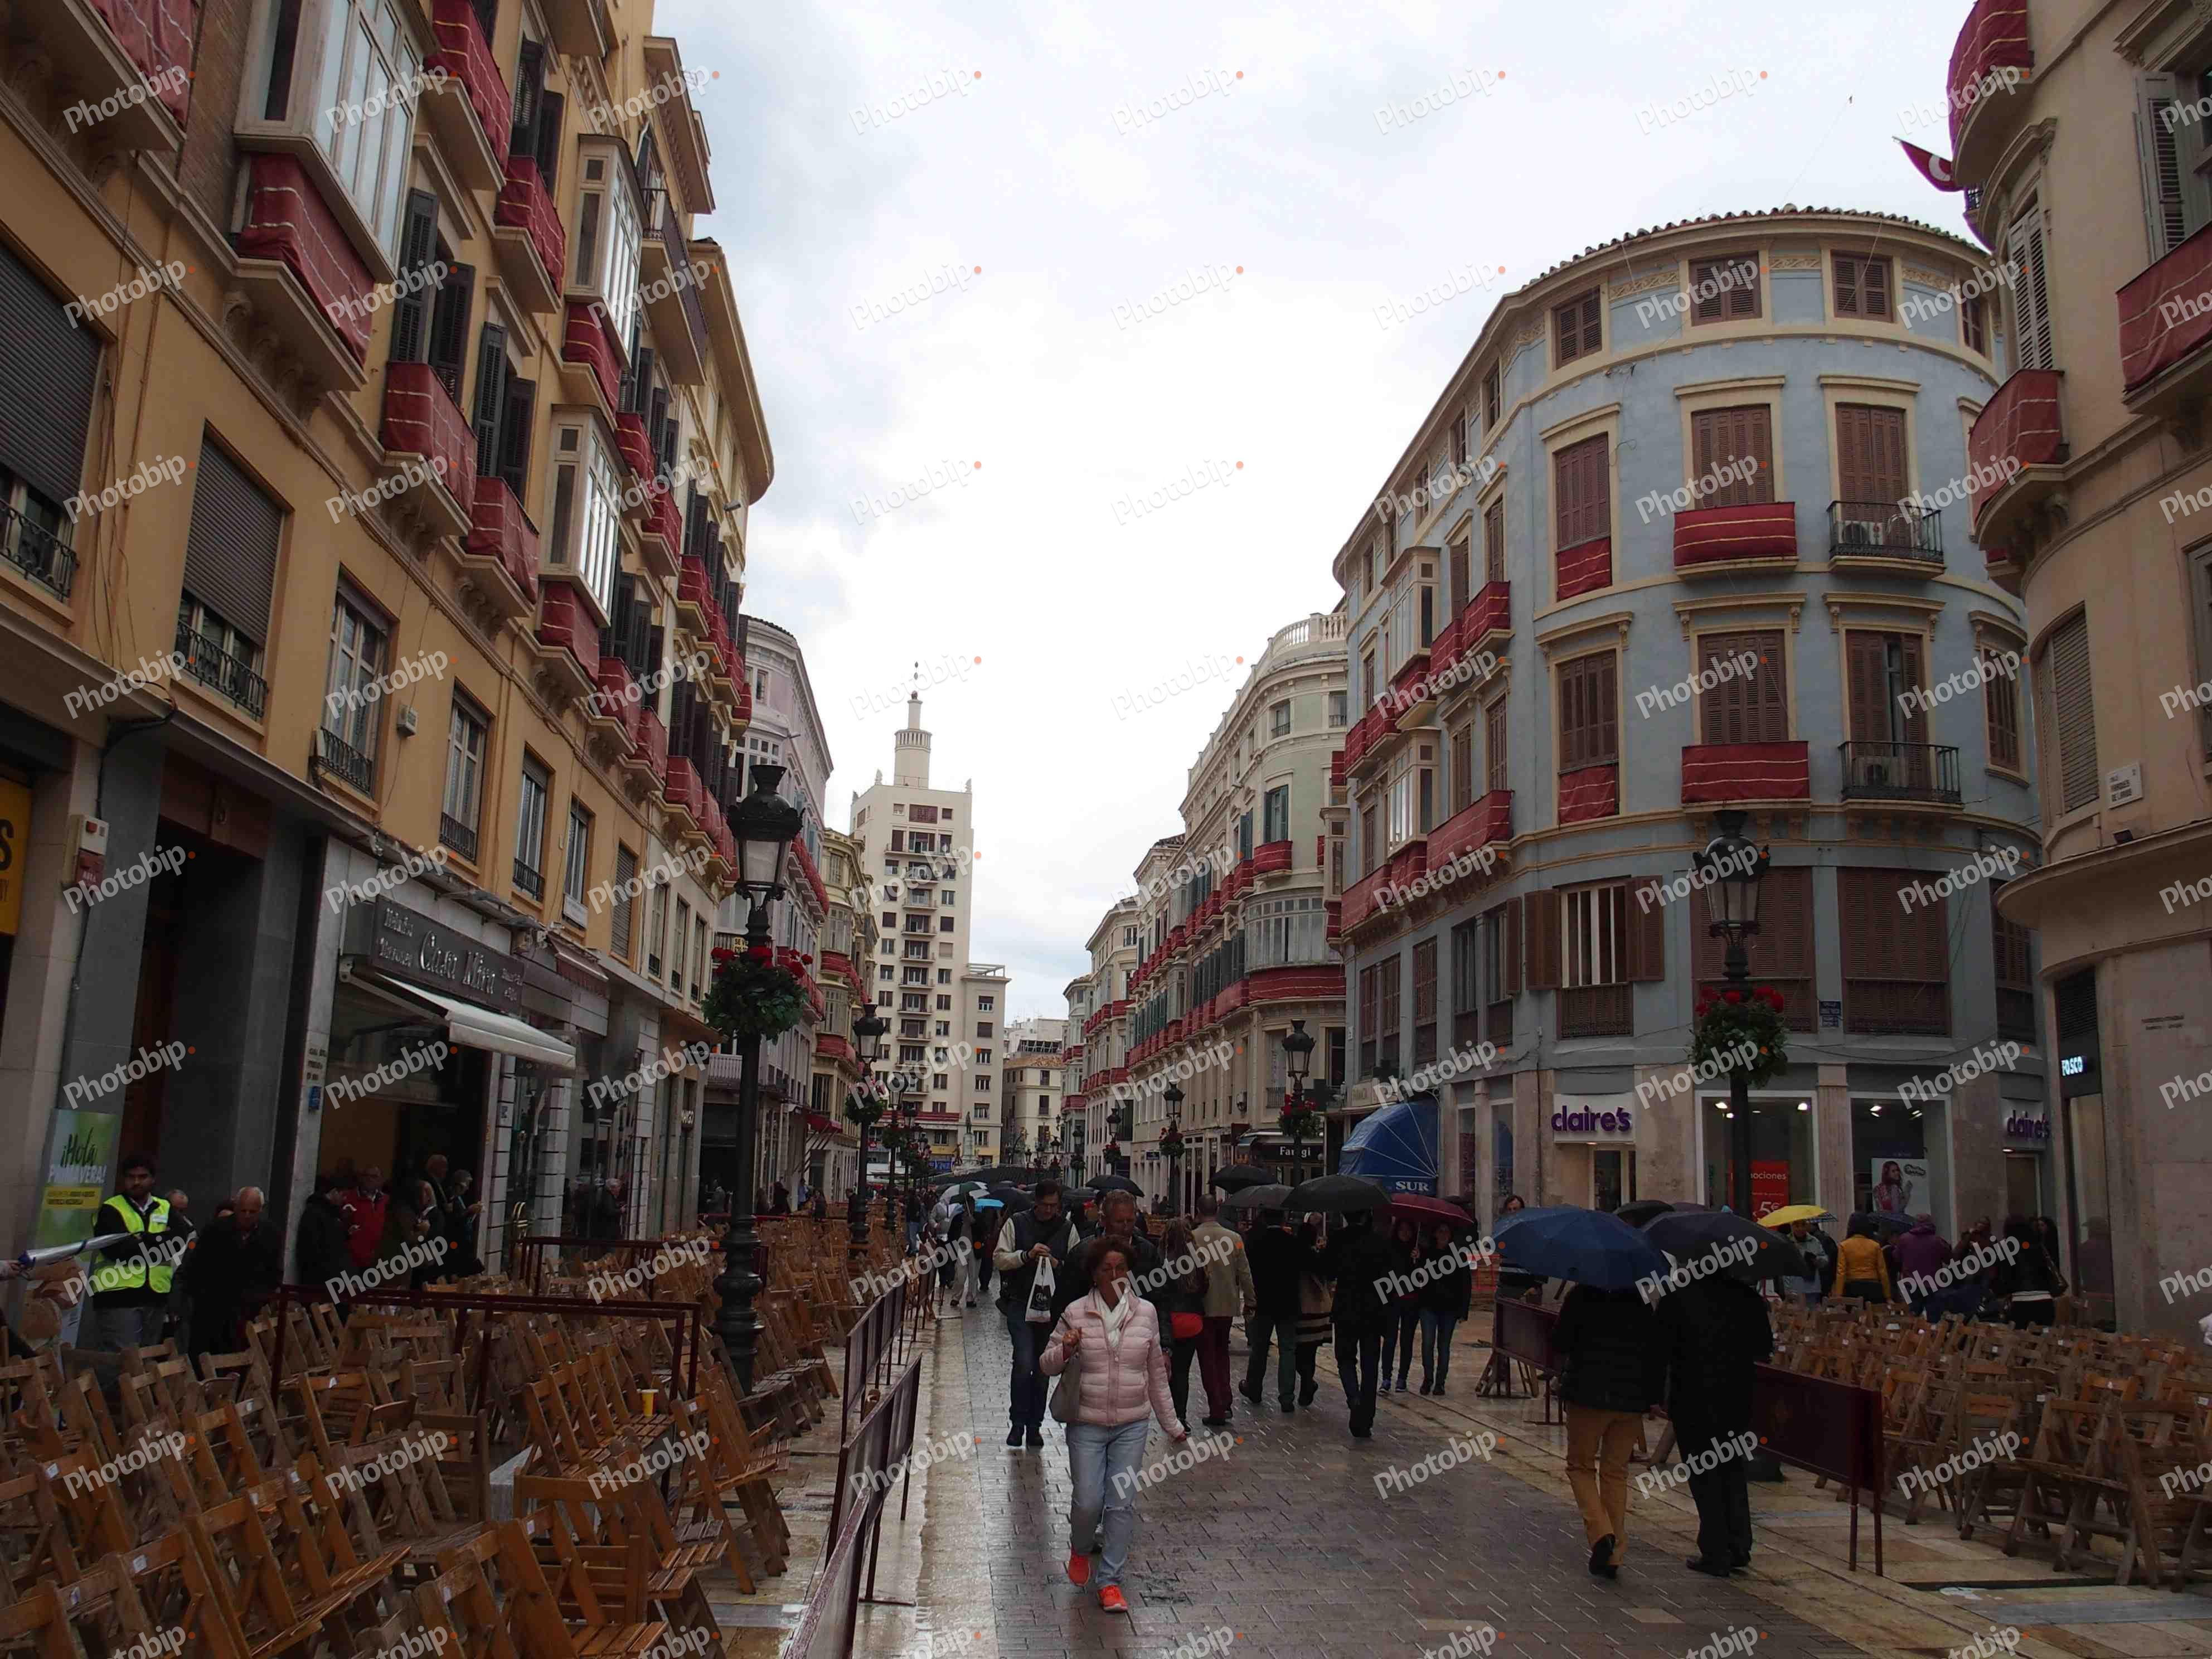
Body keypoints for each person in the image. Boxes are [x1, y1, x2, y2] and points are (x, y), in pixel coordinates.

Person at [1039, 1239, 1187, 1614]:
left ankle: (1110, 1582)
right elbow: (1046, 1364)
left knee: (1121, 1504)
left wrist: (1172, 1424)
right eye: (1107, 1269)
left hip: (1131, 1424)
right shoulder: (1075, 1312)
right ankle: (1080, 1548)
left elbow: (1156, 1374)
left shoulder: (1146, 1313)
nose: (1115, 1276)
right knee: (1088, 1501)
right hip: (1086, 1423)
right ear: (1094, 1274)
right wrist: (1066, 1349)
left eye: (1121, 1269)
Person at [1657, 1267, 1772, 1576]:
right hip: (1736, 1399)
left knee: (1703, 1474)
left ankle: (1716, 1550)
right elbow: (1764, 1348)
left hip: (1692, 1399)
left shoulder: (1677, 1297)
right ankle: (1739, 1545)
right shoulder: (1748, 1298)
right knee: (1731, 1469)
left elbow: (1660, 1348)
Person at [1554, 1281, 1666, 1579]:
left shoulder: (1581, 1295)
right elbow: (1655, 1352)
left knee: (1580, 1467)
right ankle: (1615, 1554)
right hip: (1630, 1401)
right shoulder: (1639, 1301)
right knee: (1616, 1472)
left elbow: (1560, 1342)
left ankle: (1601, 1533)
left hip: (1587, 1396)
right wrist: (1653, 1397)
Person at [992, 1180, 1083, 1448]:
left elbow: (1077, 1267)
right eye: (1045, 1205)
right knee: (1023, 1363)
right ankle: (1017, 1423)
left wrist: (1057, 1264)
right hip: (1020, 1304)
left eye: (1054, 1206)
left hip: (1052, 1308)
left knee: (1043, 1367)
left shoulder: (1067, 1229)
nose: (1049, 1211)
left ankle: (1035, 1426)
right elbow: (999, 1258)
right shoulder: (1017, 1223)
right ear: (1036, 1202)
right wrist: (1026, 1256)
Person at [84, 1152, 177, 1351]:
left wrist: (143, 1238)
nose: (136, 1182)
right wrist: (161, 1242)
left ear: (153, 1179)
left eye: (142, 1177)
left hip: (156, 1296)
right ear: (123, 1179)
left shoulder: (165, 1207)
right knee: (123, 1361)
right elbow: (118, 1250)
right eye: (131, 1177)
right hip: (118, 1297)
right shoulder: (111, 1209)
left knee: (147, 1360)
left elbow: (179, 1241)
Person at [181, 1188, 282, 1357]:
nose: (247, 1216)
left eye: (252, 1212)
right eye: (243, 1211)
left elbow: (274, 1273)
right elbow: (196, 1267)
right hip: (212, 1310)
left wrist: (263, 1298)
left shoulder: (271, 1234)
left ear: (261, 1211)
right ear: (236, 1208)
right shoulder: (215, 1230)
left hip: (248, 1311)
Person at [1323, 1209, 1394, 1438]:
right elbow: (1389, 1281)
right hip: (1373, 1311)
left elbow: (1328, 1272)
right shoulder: (1380, 1242)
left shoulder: (1338, 1238)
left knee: (1345, 1359)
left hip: (1346, 1309)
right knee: (1370, 1365)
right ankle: (1367, 1416)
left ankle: (1354, 1398)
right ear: (1366, 1216)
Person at [1240, 1209, 1315, 1412]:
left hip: (1263, 1304)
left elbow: (1247, 1272)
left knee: (1259, 1348)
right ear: (1283, 1219)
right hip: (1288, 1304)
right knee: (1288, 1349)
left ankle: (1254, 1388)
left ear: (1265, 1218)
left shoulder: (1255, 1243)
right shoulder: (1293, 1243)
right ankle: (1287, 1397)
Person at [1187, 1196, 1253, 1427]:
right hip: (1226, 1306)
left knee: (1207, 1358)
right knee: (1221, 1354)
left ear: (1198, 1211)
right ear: (1217, 1210)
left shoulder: (1191, 1239)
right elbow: (1244, 1272)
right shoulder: (1235, 1239)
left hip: (1202, 1307)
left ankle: (1217, 1408)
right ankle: (1225, 1400)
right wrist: (1251, 1301)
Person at [1066, 1192, 1163, 1322]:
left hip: (1136, 1327)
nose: (1126, 1227)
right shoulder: (1082, 1253)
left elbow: (1160, 1300)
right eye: (1119, 1222)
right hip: (1091, 1326)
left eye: (1130, 1221)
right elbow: (1066, 1300)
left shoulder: (1148, 1252)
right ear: (1103, 1220)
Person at [1156, 1219, 1209, 1428]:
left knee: (1168, 1371)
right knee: (1182, 1372)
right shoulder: (1197, 1259)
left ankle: (1170, 1415)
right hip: (1192, 1322)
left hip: (1169, 1322)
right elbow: (1204, 1288)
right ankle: (1181, 1416)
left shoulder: (1161, 1259)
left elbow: (1159, 1292)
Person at [1417, 1222, 1473, 1394]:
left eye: (1446, 1232)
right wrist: (1417, 1260)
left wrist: (1464, 1311)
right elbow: (1418, 1277)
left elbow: (1466, 1284)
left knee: (1444, 1346)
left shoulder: (1458, 1256)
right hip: (1429, 1306)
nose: (1443, 1235)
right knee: (1428, 1344)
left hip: (1449, 1308)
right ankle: (1428, 1379)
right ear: (1435, 1234)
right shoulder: (1427, 1253)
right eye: (1440, 1231)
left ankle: (1440, 1382)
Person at [1379, 1217, 1421, 1394]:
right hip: (1393, 1300)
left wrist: (1418, 1261)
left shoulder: (1417, 1250)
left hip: (1412, 1301)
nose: (1405, 1233)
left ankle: (1402, 1378)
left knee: (1406, 1340)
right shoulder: (1389, 1249)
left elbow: (1423, 1277)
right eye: (1402, 1229)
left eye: (1408, 1230)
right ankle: (1386, 1377)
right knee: (1390, 1340)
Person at [1294, 1219, 1333, 1408]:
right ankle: (1306, 1387)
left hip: (1303, 1310)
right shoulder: (1317, 1257)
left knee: (1298, 1353)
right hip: (1320, 1311)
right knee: (1310, 1353)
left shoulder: (1296, 1256)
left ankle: (1308, 1384)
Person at [1997, 1215, 2063, 1327]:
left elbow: (2005, 1277)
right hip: (2045, 1302)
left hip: (2021, 1302)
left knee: (2021, 1337)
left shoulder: (2006, 1247)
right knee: (2043, 1336)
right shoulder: (2037, 1245)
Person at [296, 1172, 354, 1299]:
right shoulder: (315, 1214)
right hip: (323, 1285)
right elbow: (312, 1250)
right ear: (334, 1192)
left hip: (335, 1283)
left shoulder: (332, 1214)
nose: (345, 1200)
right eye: (343, 1195)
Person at [1892, 1214, 1954, 1313]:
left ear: (1915, 1224)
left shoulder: (1904, 1239)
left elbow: (1896, 1258)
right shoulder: (1938, 1241)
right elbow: (1949, 1260)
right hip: (1932, 1284)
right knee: (1933, 1316)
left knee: (1913, 1316)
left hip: (1911, 1284)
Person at [1832, 1216, 1893, 1304]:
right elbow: (1882, 1271)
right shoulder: (1875, 1245)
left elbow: (1841, 1272)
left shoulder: (1844, 1245)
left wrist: (1839, 1295)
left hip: (1852, 1287)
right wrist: (1888, 1297)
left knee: (1854, 1312)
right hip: (1873, 1287)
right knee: (1872, 1312)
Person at [1495, 1194, 1544, 1302]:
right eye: (1509, 1209)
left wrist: (1537, 1285)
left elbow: (1543, 1257)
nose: (1512, 1212)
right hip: (1505, 1287)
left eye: (1515, 1209)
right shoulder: (1503, 1231)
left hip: (1526, 1289)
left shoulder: (1532, 1231)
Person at [338, 1167, 389, 1272]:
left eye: (374, 1176)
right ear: (360, 1178)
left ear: (381, 1180)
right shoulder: (347, 1198)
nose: (370, 1179)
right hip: (351, 1263)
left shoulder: (387, 1201)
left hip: (379, 1263)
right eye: (366, 1175)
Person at [1784, 1219, 1836, 1303]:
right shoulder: (1786, 1241)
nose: (1800, 1229)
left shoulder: (1814, 1241)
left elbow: (1825, 1259)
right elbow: (1783, 1267)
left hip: (1812, 1288)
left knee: (1813, 1311)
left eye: (1803, 1225)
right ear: (1792, 1226)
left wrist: (1817, 1260)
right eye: (1797, 1226)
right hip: (1794, 1288)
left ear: (1807, 1226)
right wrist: (1787, 1289)